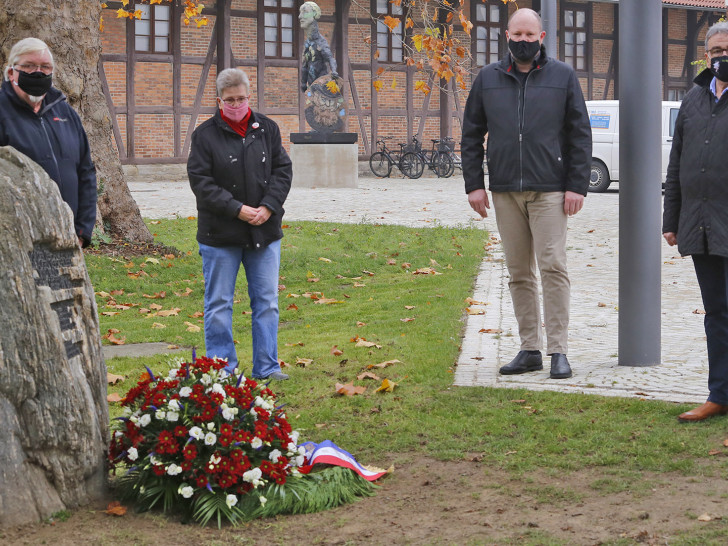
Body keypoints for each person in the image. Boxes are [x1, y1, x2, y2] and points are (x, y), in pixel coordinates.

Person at [461, 8, 591, 380]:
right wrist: (474, 184)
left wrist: (576, 185)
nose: (522, 41)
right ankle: (529, 348)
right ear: (507, 35)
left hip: (550, 189)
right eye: (516, 35)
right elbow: (471, 135)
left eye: (529, 35)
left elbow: (580, 135)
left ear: (542, 37)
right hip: (504, 190)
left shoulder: (563, 77)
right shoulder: (487, 78)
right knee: (519, 272)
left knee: (553, 267)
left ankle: (558, 351)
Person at [187, 68, 292, 381]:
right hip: (220, 235)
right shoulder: (204, 135)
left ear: (250, 96)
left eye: (241, 98)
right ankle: (222, 370)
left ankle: (268, 366)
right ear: (220, 101)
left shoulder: (268, 129)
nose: (236, 104)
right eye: (229, 100)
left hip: (264, 230)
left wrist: (268, 207)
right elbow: (201, 182)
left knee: (267, 302)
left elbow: (282, 171)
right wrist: (237, 210)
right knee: (218, 304)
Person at [663, 21, 728, 422]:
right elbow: (676, 165)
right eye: (716, 50)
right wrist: (672, 219)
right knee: (717, 313)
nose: (722, 57)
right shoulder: (692, 99)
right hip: (701, 224)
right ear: (706, 55)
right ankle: (718, 394)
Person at [0, 37, 97, 247]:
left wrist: (82, 232)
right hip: (14, 241)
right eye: (28, 66)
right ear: (11, 72)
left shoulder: (66, 113)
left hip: (66, 237)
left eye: (45, 67)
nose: (38, 72)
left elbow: (86, 171)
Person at [299, 1, 338, 91]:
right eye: (300, 12)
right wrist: (303, 82)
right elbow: (305, 66)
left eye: (305, 12)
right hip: (311, 87)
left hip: (322, 85)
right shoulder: (307, 44)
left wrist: (334, 71)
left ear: (314, 14)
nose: (300, 16)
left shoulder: (321, 42)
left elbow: (330, 59)